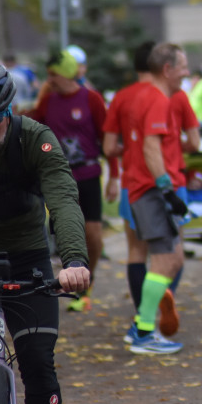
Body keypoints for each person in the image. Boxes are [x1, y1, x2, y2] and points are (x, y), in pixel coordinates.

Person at [0, 61, 91, 404]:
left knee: (39, 365)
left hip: (26, 256)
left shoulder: (34, 139)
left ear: (8, 111)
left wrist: (73, 260)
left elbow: (64, 199)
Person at [116, 42, 192, 355]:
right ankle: (143, 331)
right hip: (149, 191)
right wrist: (166, 190)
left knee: (174, 258)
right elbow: (150, 147)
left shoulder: (147, 96)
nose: (187, 74)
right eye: (184, 67)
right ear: (167, 69)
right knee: (163, 260)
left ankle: (142, 327)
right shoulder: (159, 100)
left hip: (142, 188)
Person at [27, 49, 117, 312]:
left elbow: (107, 137)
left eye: (52, 74)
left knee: (93, 235)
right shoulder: (48, 101)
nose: (49, 79)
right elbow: (33, 124)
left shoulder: (91, 99)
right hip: (57, 178)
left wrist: (114, 176)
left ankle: (87, 282)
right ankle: (67, 281)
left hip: (88, 174)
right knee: (64, 234)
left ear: (64, 74)